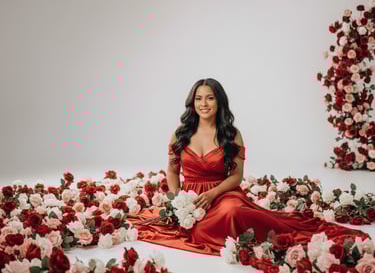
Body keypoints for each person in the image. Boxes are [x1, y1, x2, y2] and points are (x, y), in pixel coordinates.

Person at [129, 78, 369, 255]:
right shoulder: (180, 134)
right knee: (198, 231)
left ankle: (271, 228)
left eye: (210, 98)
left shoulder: (232, 134)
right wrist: (176, 200)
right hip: (190, 197)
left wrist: (213, 193)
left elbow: (236, 177)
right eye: (199, 98)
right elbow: (172, 172)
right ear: (192, 103)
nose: (204, 104)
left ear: (219, 102)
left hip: (224, 192)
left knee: (232, 212)